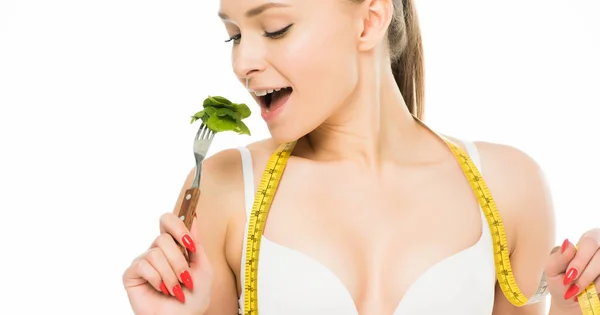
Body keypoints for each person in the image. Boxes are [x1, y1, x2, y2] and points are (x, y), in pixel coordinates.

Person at [122, 0, 600, 314]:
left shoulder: (509, 187)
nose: (242, 63)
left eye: (274, 28)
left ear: (370, 19)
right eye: (234, 35)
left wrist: (574, 306)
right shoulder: (225, 188)